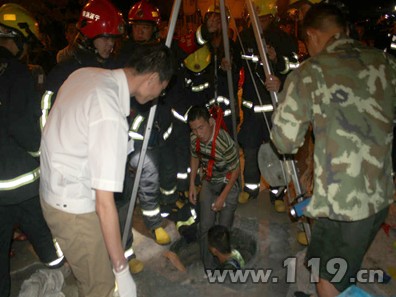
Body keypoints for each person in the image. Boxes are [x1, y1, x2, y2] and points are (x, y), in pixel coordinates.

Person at [270, 3, 396, 296]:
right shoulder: (387, 63)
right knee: (339, 266)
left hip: (343, 208)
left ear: (312, 35)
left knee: (328, 277)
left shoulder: (310, 72)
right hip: (379, 199)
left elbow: (284, 141)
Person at [40, 43, 174, 297]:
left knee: (89, 272)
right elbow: (104, 204)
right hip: (74, 209)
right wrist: (121, 270)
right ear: (152, 79)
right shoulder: (110, 114)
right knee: (99, 286)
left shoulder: (87, 74)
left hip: (53, 191)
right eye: (162, 90)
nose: (160, 96)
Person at [0, 4, 65, 297]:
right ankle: (59, 265)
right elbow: (22, 125)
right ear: (19, 37)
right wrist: (41, 154)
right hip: (19, 181)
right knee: (38, 226)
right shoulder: (16, 71)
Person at [116, 0, 173, 246]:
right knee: (126, 190)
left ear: (154, 28)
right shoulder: (123, 56)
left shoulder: (161, 53)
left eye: (145, 26)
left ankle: (153, 222)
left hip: (153, 130)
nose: (140, 31)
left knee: (152, 178)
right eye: (136, 26)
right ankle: (125, 244)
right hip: (128, 134)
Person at [237, 0, 298, 211]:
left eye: (264, 19)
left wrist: (278, 63)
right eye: (257, 18)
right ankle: (250, 188)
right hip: (252, 110)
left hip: (275, 109)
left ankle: (277, 194)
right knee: (251, 151)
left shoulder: (283, 39)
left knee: (276, 152)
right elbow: (237, 62)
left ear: (271, 18)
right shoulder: (244, 38)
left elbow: (295, 68)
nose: (260, 22)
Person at [188, 105, 240, 270]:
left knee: (222, 231)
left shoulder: (224, 141)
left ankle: (226, 266)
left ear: (210, 122)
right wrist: (192, 184)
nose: (199, 133)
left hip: (228, 184)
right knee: (205, 227)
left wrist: (223, 197)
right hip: (209, 182)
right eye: (194, 129)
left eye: (201, 127)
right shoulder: (194, 138)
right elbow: (195, 157)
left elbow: (236, 169)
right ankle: (209, 268)